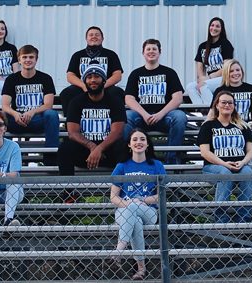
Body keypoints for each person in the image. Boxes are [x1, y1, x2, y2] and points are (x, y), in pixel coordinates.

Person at [58, 64, 125, 201]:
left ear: (104, 80)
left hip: (108, 151)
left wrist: (99, 148)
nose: (93, 80)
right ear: (84, 81)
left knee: (124, 146)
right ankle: (69, 192)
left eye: (96, 77)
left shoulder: (115, 101)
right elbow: (72, 132)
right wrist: (92, 147)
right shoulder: (76, 102)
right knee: (65, 148)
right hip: (85, 154)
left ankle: (122, 191)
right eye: (89, 77)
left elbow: (117, 132)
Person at [110, 129, 164, 281]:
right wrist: (128, 203)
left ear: (147, 144)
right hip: (124, 210)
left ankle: (118, 252)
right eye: (135, 139)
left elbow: (160, 195)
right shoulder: (122, 166)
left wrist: (142, 201)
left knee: (134, 208)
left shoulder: (156, 165)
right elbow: (113, 197)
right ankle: (141, 269)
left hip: (149, 211)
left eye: (142, 139)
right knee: (136, 223)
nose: (138, 142)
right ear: (129, 144)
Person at [124, 38, 186, 164]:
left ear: (159, 52)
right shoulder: (136, 74)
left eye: (154, 49)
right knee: (126, 116)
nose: (151, 51)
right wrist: (145, 114)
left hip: (164, 117)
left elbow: (178, 97)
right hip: (142, 117)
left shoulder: (169, 73)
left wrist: (160, 114)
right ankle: (129, 159)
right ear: (143, 53)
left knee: (179, 117)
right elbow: (129, 99)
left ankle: (171, 160)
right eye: (148, 49)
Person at [198, 90, 252, 223]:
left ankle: (244, 217)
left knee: (248, 172)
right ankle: (221, 218)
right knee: (224, 173)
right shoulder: (208, 126)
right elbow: (205, 153)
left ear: (234, 106)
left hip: (239, 165)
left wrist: (242, 162)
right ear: (217, 105)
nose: (227, 105)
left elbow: (251, 151)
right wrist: (225, 164)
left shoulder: (242, 126)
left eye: (230, 103)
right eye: (223, 102)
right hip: (214, 167)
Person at [1, 44, 59, 166]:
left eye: (31, 57)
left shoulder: (45, 78)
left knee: (52, 114)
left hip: (36, 120)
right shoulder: (11, 79)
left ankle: (51, 159)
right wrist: (16, 114)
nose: (28, 60)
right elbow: (5, 105)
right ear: (19, 60)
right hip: (17, 120)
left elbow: (48, 105)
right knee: (1, 116)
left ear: (36, 59)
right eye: (25, 57)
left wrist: (32, 112)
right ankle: (3, 158)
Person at [60, 26, 123, 116]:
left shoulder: (111, 54)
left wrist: (102, 86)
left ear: (102, 38)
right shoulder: (77, 55)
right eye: (91, 35)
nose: (94, 36)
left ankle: (115, 121)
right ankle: (71, 122)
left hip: (105, 86)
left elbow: (117, 75)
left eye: (97, 35)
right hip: (83, 87)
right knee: (67, 93)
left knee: (117, 92)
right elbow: (70, 76)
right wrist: (83, 86)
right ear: (86, 38)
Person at [210, 59, 252, 145]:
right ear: (226, 73)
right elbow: (212, 114)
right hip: (224, 129)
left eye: (238, 70)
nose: (235, 73)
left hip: (244, 128)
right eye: (231, 71)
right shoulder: (220, 90)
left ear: (242, 71)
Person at [185, 17, 234, 106]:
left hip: (223, 78)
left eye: (217, 26)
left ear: (221, 29)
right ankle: (203, 113)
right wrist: (201, 78)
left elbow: (227, 67)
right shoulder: (203, 46)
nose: (214, 28)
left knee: (204, 86)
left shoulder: (225, 44)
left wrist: (210, 77)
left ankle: (213, 113)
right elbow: (199, 67)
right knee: (190, 87)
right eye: (212, 25)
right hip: (208, 80)